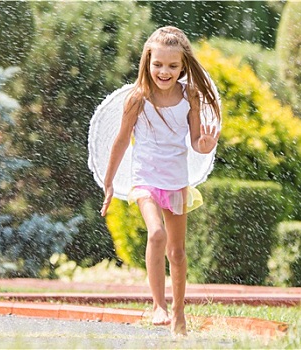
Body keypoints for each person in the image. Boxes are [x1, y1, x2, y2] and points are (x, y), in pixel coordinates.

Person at [99, 26, 221, 336]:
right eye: (157, 64)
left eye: (172, 65)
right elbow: (122, 139)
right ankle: (158, 305)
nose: (163, 71)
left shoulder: (189, 95)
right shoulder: (139, 98)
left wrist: (205, 145)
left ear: (182, 67)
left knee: (177, 254)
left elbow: (195, 140)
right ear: (147, 61)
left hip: (176, 181)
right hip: (146, 181)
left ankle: (179, 312)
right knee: (156, 234)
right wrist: (110, 181)